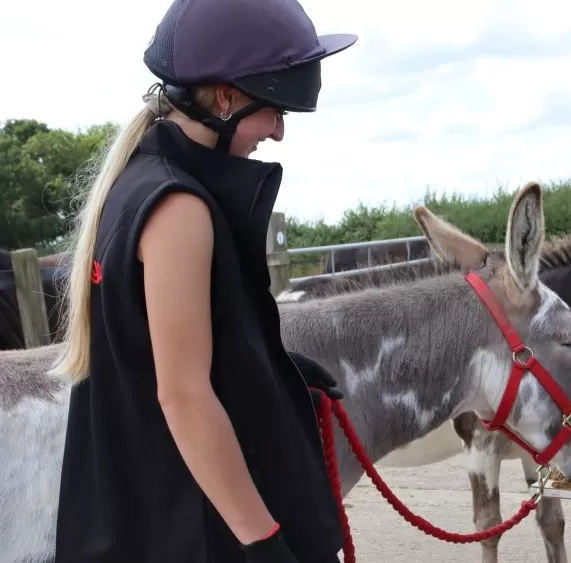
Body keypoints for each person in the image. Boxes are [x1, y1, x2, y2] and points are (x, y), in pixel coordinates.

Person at [49, 1, 355, 562]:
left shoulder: (138, 183)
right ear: (226, 98)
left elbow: (152, 353)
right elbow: (183, 395)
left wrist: (266, 369)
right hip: (192, 532)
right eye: (276, 111)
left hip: (147, 516)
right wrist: (263, 542)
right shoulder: (179, 208)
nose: (279, 133)